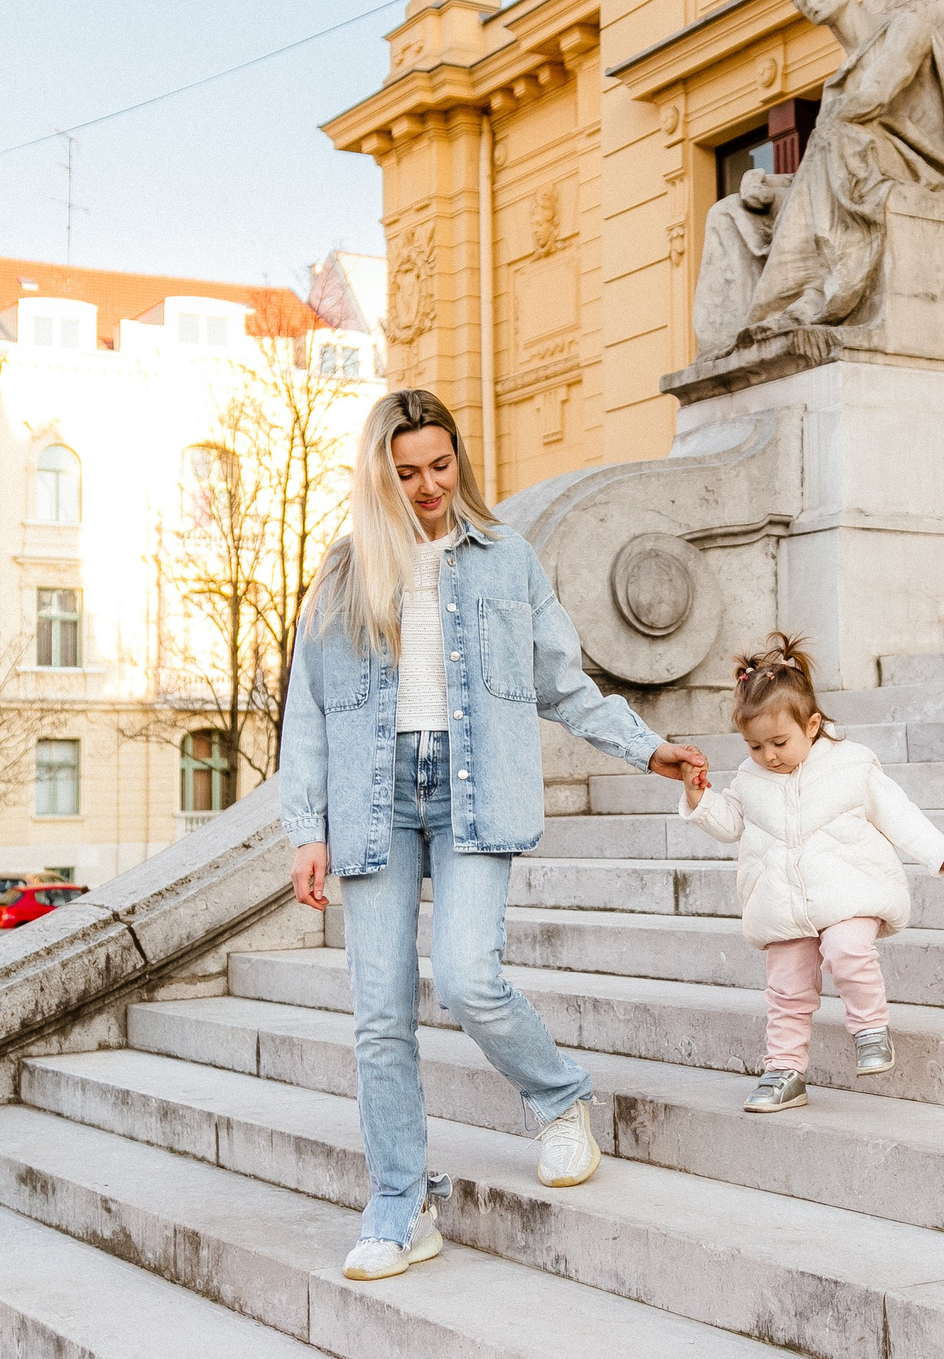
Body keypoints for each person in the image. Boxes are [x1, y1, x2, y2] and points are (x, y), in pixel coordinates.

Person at [282, 388, 709, 1283]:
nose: (429, 485)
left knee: (471, 978)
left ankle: (559, 1098)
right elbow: (309, 711)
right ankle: (402, 1203)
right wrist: (304, 827)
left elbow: (562, 680)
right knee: (378, 1017)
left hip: (473, 789)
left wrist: (646, 747)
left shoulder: (506, 557)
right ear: (378, 476)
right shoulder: (344, 571)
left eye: (441, 465)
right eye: (406, 473)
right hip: (375, 799)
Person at [680, 633, 944, 1113]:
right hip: (783, 903)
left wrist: (941, 851)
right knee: (787, 991)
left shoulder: (852, 765)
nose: (768, 755)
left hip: (849, 890)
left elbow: (898, 814)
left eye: (779, 742)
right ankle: (784, 1072)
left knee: (847, 949)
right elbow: (728, 823)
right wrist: (699, 798)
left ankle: (869, 1027)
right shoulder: (750, 777)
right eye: (755, 746)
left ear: (813, 724)